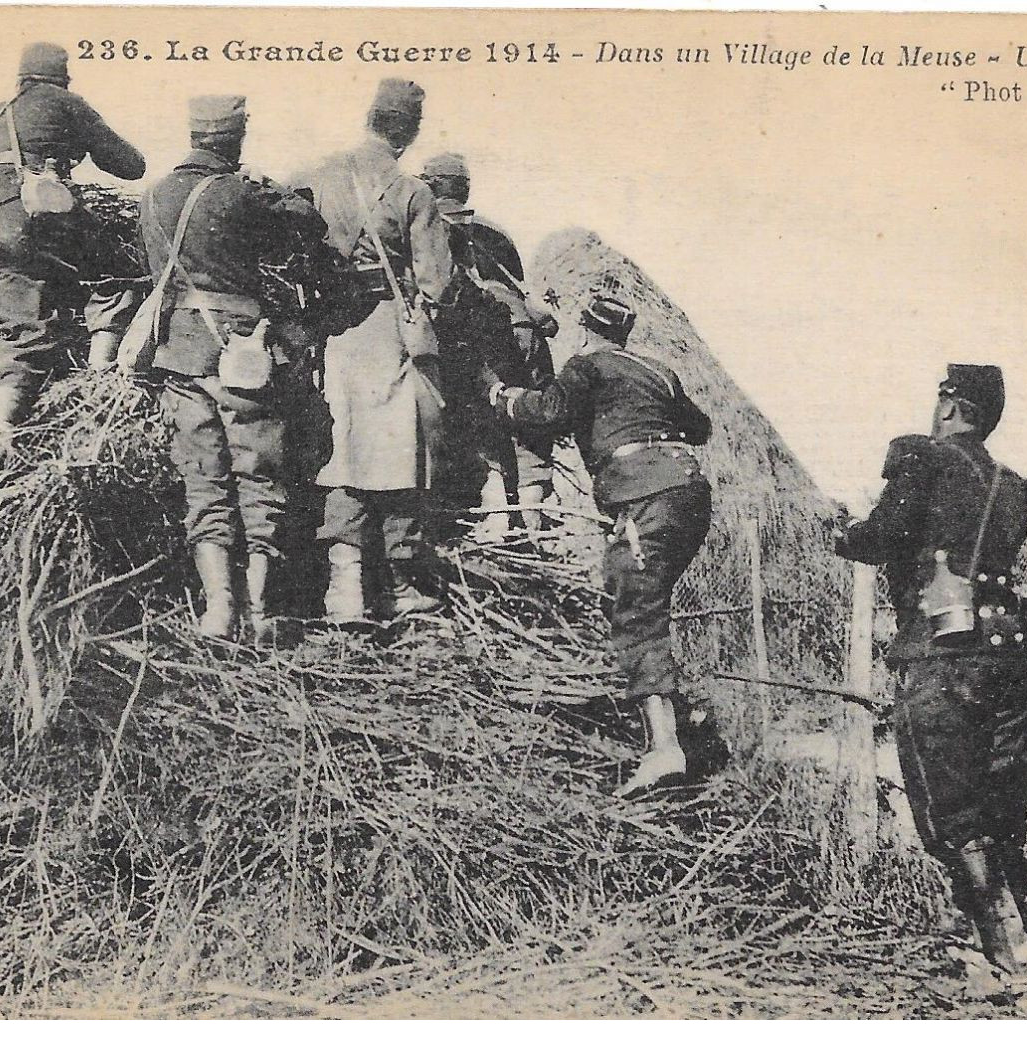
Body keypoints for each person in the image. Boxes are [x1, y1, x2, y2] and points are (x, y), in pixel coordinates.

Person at [835, 364, 1027, 1006]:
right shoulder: (1010, 483)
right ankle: (1008, 950)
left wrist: (840, 535)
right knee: (1000, 805)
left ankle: (1015, 969)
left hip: (943, 654)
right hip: (1008, 654)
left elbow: (884, 537)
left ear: (949, 407)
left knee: (950, 811)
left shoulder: (922, 457)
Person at [488, 295, 727, 796]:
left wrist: (499, 395)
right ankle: (683, 711)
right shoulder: (657, 370)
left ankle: (665, 749)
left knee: (636, 612)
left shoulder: (586, 365)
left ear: (585, 331)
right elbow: (700, 428)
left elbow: (547, 412)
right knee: (640, 598)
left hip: (643, 494)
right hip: (688, 491)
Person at [138, 95, 328, 643]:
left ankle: (218, 609)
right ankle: (261, 610)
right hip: (241, 357)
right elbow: (304, 229)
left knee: (204, 483)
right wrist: (276, 191)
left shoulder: (154, 196)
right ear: (235, 137)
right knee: (259, 477)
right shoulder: (242, 195)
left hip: (178, 356)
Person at [289, 79, 455, 623]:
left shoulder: (317, 176)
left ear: (369, 117)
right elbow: (437, 285)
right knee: (400, 454)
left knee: (344, 454)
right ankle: (403, 585)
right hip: (389, 329)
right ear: (408, 130)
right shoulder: (414, 193)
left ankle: (343, 590)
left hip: (334, 331)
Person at [0, 42, 146, 470]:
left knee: (21, 329)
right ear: (61, 77)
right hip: (32, 212)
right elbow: (130, 165)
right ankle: (101, 376)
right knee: (117, 270)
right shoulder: (64, 102)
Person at [421, 153, 559, 538]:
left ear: (431, 186)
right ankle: (532, 517)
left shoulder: (429, 227)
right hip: (525, 331)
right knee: (528, 420)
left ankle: (495, 516)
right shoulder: (496, 232)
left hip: (480, 331)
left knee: (477, 417)